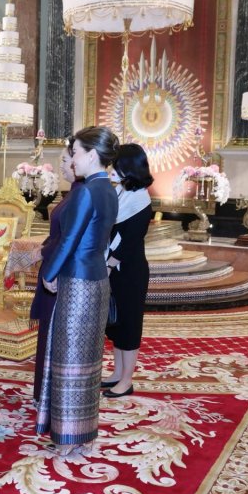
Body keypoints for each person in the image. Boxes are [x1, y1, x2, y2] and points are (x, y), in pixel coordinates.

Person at [35, 126, 119, 455]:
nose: (73, 161)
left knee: (69, 361)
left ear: (92, 154)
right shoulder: (109, 188)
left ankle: (68, 437)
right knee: (87, 362)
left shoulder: (86, 191)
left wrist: (49, 273)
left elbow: (70, 239)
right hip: (97, 280)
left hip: (78, 283)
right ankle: (83, 433)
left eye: (77, 152)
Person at [30, 140, 83, 402]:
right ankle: (45, 392)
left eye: (65, 160)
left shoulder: (81, 193)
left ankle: (51, 394)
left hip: (62, 272)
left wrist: (43, 253)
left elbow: (68, 239)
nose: (61, 165)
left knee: (55, 337)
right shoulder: (74, 191)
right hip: (56, 266)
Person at [102, 143, 154, 398]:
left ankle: (127, 380)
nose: (111, 168)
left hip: (129, 272)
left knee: (129, 325)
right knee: (116, 324)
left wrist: (110, 264)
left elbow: (128, 238)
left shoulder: (140, 199)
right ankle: (117, 373)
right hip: (115, 269)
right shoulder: (122, 192)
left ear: (129, 167)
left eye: (116, 164)